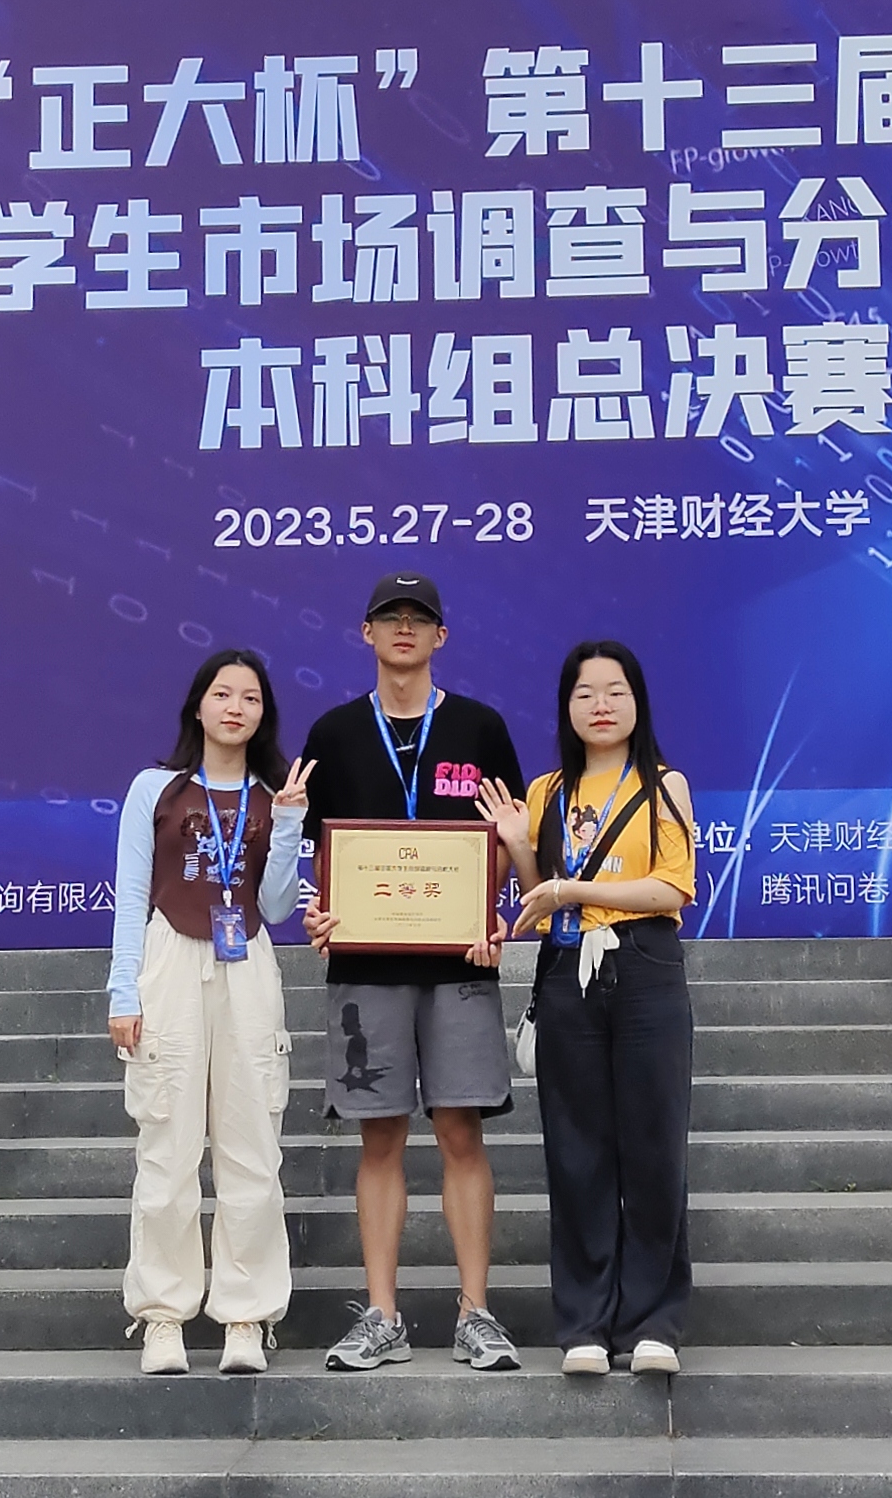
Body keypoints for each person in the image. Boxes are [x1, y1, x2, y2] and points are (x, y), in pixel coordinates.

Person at [297, 571, 526, 1372]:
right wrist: (321, 910)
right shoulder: (332, 733)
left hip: (459, 961)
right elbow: (317, 852)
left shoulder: (479, 727)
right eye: (389, 617)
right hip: (366, 967)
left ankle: (475, 1313)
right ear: (366, 633)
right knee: (381, 1137)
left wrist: (492, 908)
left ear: (440, 636)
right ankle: (383, 1316)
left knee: (462, 1131)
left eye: (418, 618)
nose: (404, 628)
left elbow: (507, 836)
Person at [478, 640, 696, 1378]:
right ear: (566, 707)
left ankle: (654, 1322)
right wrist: (519, 847)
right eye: (585, 693)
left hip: (645, 966)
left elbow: (671, 888)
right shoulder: (545, 792)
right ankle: (585, 1324)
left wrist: (575, 890)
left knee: (654, 1146)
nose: (601, 706)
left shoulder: (665, 785)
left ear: (638, 702)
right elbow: (538, 901)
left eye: (615, 691)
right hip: (566, 971)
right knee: (576, 1150)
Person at [107, 648, 313, 1376]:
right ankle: (163, 1316)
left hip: (247, 962)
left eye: (250, 698)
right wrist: (123, 992)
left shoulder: (274, 794)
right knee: (167, 1146)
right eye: (223, 694)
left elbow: (279, 906)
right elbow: (133, 894)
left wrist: (287, 824)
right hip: (170, 960)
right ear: (198, 705)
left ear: (264, 714)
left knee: (252, 1145)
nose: (235, 708)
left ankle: (245, 1316)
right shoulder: (155, 788)